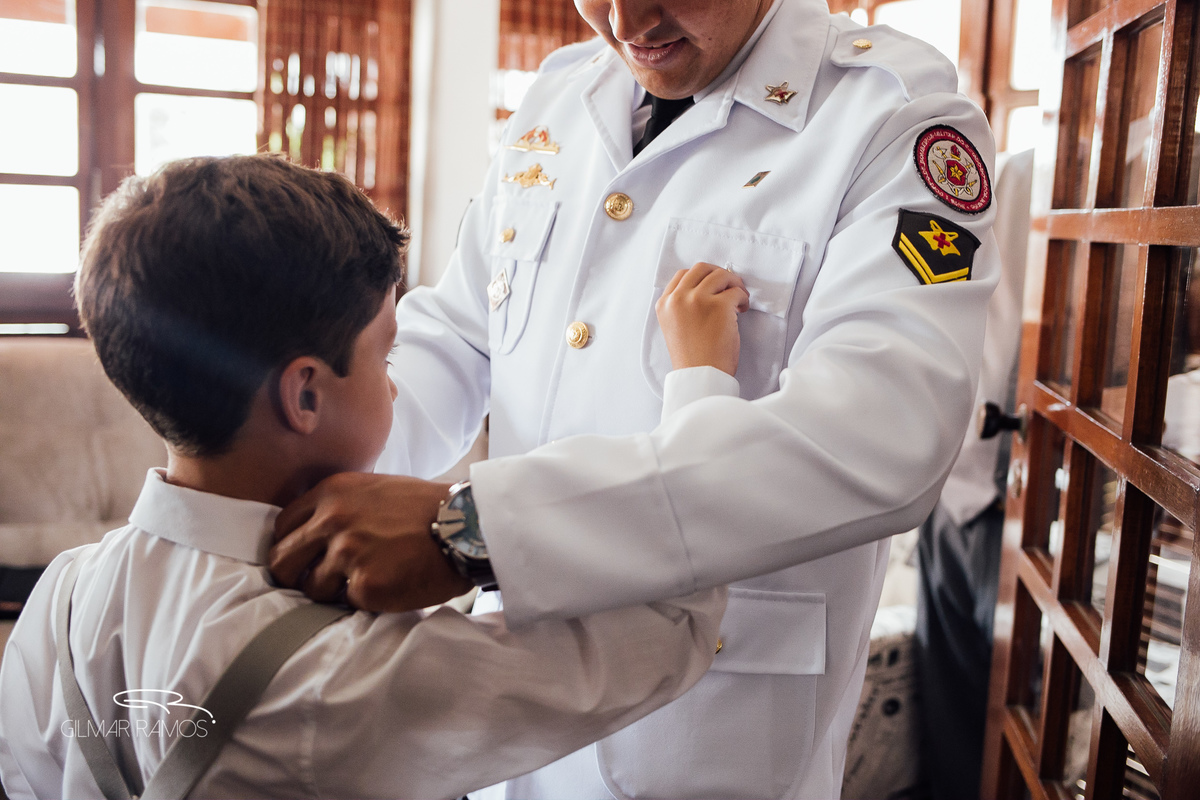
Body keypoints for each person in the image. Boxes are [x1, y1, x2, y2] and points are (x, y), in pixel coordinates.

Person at [269, 0, 1003, 797]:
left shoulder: (889, 114)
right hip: (508, 737)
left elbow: (878, 436)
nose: (625, 20)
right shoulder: (560, 95)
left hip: (707, 734)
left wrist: (478, 533)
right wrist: (280, 482)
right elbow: (459, 333)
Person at [0, 155, 735, 800]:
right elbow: (668, 632)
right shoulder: (336, 677)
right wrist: (701, 379)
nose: (395, 382)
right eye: (387, 358)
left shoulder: (63, 595)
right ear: (306, 395)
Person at [914, 148, 1033, 800]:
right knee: (960, 699)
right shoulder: (1015, 172)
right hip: (958, 471)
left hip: (1021, 487)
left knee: (1007, 707)